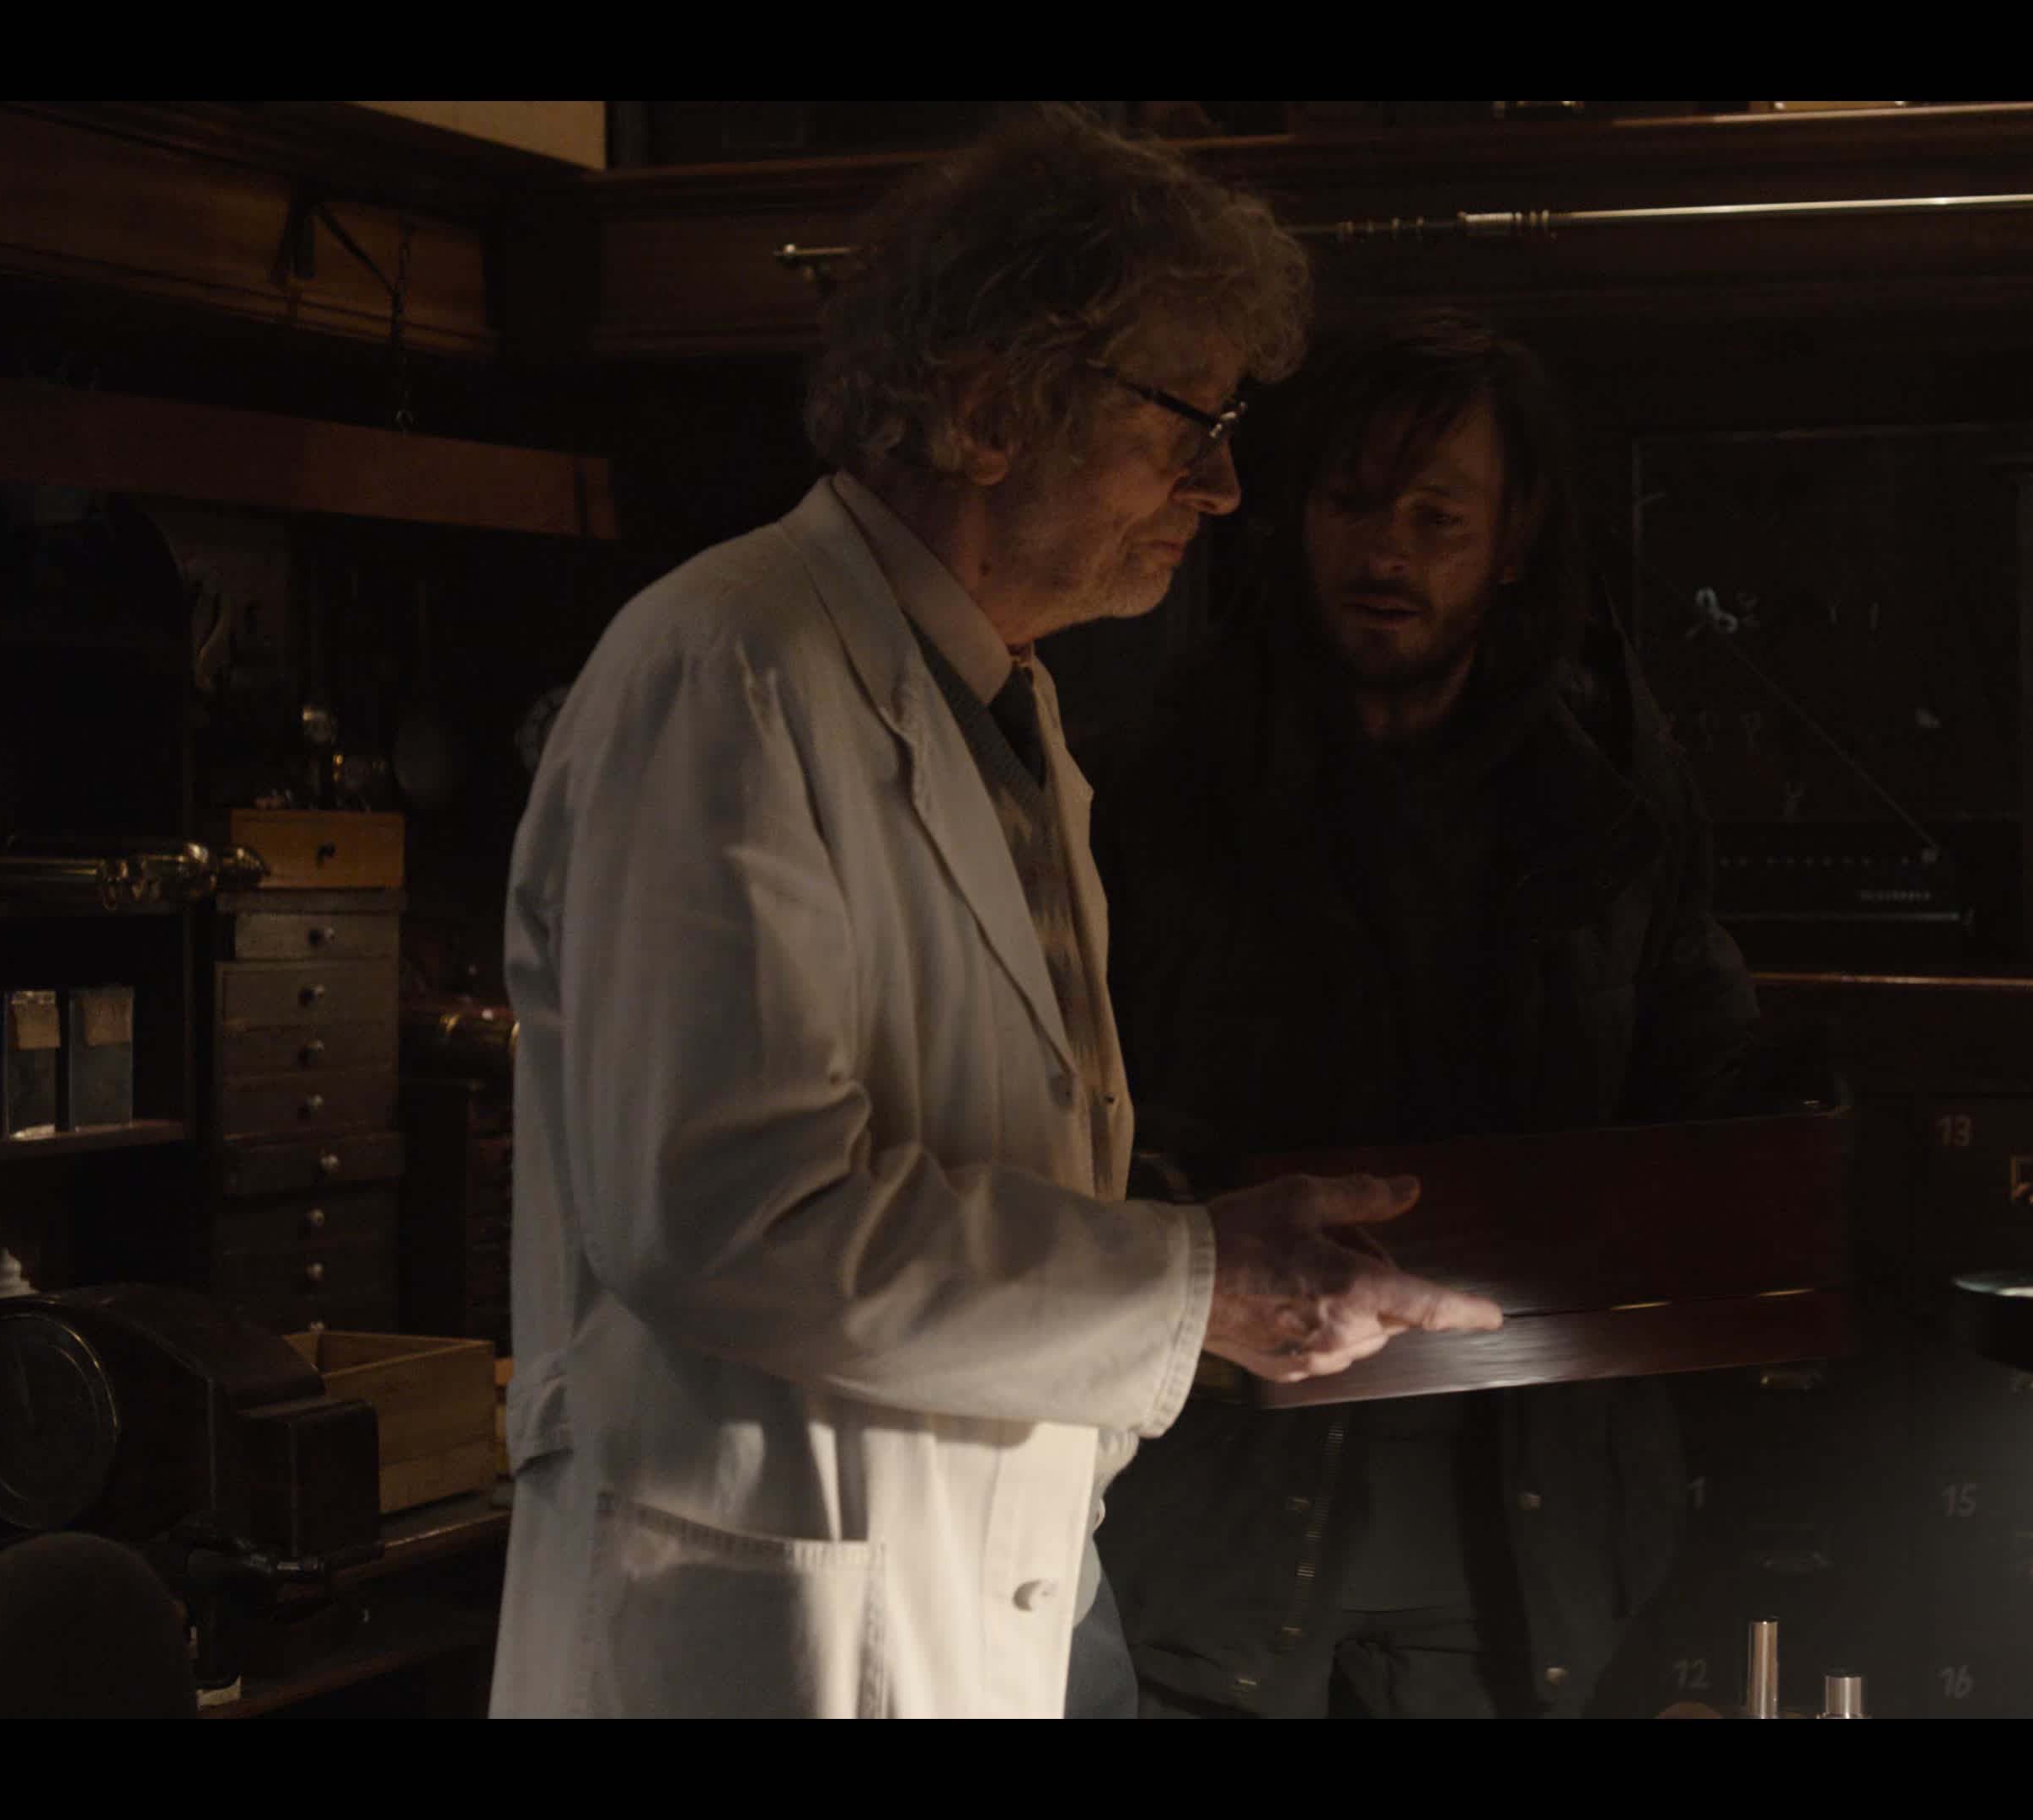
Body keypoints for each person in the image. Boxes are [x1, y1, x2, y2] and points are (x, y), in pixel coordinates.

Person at [486, 108, 1501, 1721]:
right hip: (774, 1634)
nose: (1223, 484)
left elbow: (979, 1160)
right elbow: (728, 1215)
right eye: (1189, 423)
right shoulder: (725, 667)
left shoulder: (1000, 704)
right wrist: (1195, 1282)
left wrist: (1195, 1260)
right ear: (986, 415)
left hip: (982, 1588)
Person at [1087, 309, 1768, 1718]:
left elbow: (1696, 1071)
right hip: (1211, 1533)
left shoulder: (1607, 805)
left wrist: (1781, 1131)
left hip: (1516, 1544)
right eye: (1350, 503)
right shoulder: (1157, 784)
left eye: (1436, 516)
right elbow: (1064, 1115)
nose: (1385, 551)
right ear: (1291, 518)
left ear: (1512, 543)